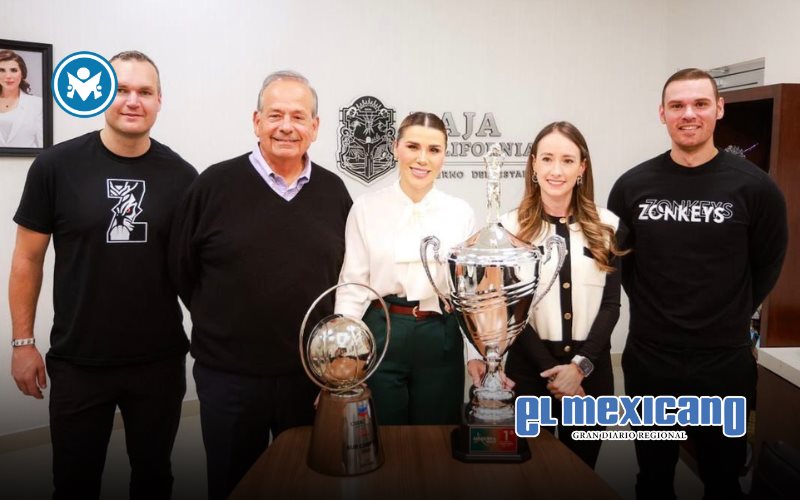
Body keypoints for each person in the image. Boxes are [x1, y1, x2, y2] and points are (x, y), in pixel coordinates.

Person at [9, 50, 196, 500]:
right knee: (74, 482)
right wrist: (22, 342)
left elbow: (195, 270)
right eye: (120, 90)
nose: (133, 101)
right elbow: (27, 259)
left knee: (154, 479)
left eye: (144, 92)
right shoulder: (56, 167)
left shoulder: (184, 176)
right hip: (78, 361)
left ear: (159, 100)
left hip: (159, 361)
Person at [169, 70, 352, 500]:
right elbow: (181, 268)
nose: (286, 126)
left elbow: (345, 277)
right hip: (229, 378)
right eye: (275, 115)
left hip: (309, 379)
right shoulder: (213, 185)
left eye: (298, 116)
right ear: (256, 122)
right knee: (235, 485)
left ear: (315, 127)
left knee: (307, 482)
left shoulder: (333, 191)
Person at [608, 68, 788, 500]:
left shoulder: (756, 188)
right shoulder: (632, 187)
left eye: (700, 103)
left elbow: (768, 265)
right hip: (652, 361)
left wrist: (726, 313)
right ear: (662, 114)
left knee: (723, 480)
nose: (689, 114)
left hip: (723, 364)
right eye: (677, 105)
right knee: (653, 477)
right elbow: (623, 267)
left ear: (719, 109)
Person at [466, 121, 625, 468]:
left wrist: (579, 368)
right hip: (531, 372)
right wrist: (552, 370)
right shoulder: (507, 229)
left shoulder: (608, 226)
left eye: (568, 160)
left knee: (582, 472)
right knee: (530, 472)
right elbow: (508, 311)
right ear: (533, 165)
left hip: (591, 375)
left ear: (582, 167)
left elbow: (611, 307)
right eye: (548, 159)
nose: (557, 170)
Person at [335, 112, 474, 425]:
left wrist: (477, 354)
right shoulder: (367, 208)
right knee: (384, 431)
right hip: (382, 329)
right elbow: (353, 286)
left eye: (434, 150)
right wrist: (344, 350)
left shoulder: (460, 212)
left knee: (438, 434)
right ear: (396, 147)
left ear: (444, 156)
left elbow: (467, 292)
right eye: (413, 146)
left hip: (440, 335)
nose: (422, 159)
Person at [0, 49, 43, 147]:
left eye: (13, 70)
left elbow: (44, 145)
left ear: (22, 74)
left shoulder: (38, 105)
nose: (8, 76)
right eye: (1, 70)